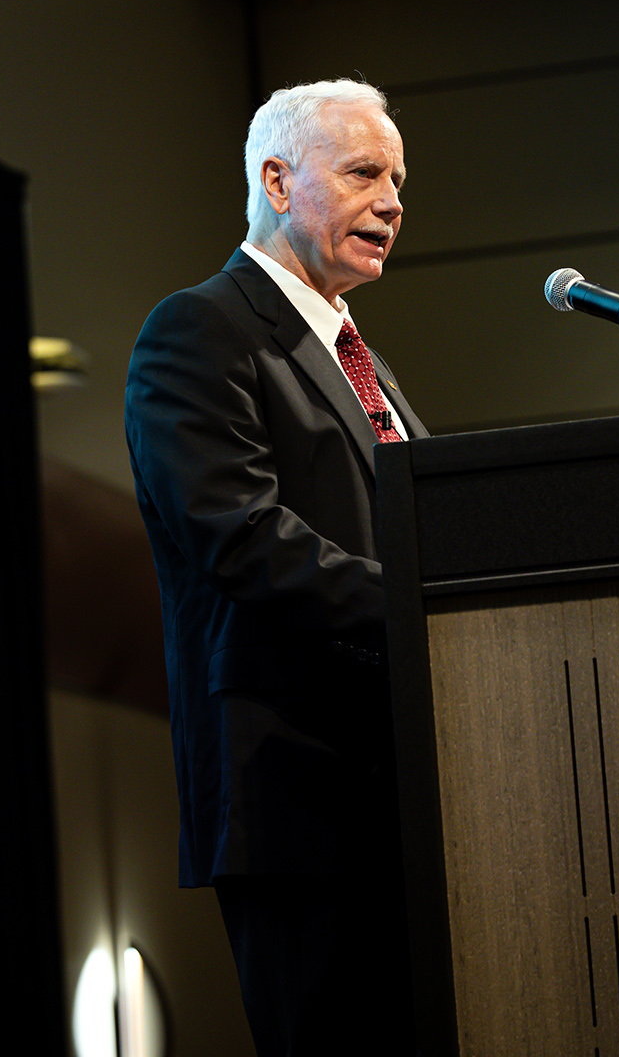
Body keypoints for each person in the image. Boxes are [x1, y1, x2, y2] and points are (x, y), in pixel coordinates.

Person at [124, 79, 426, 1054]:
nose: (393, 201)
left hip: (404, 795)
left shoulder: (362, 361)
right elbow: (238, 535)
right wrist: (426, 606)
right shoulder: (200, 330)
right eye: (365, 174)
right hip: (298, 801)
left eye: (399, 181)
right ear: (277, 178)